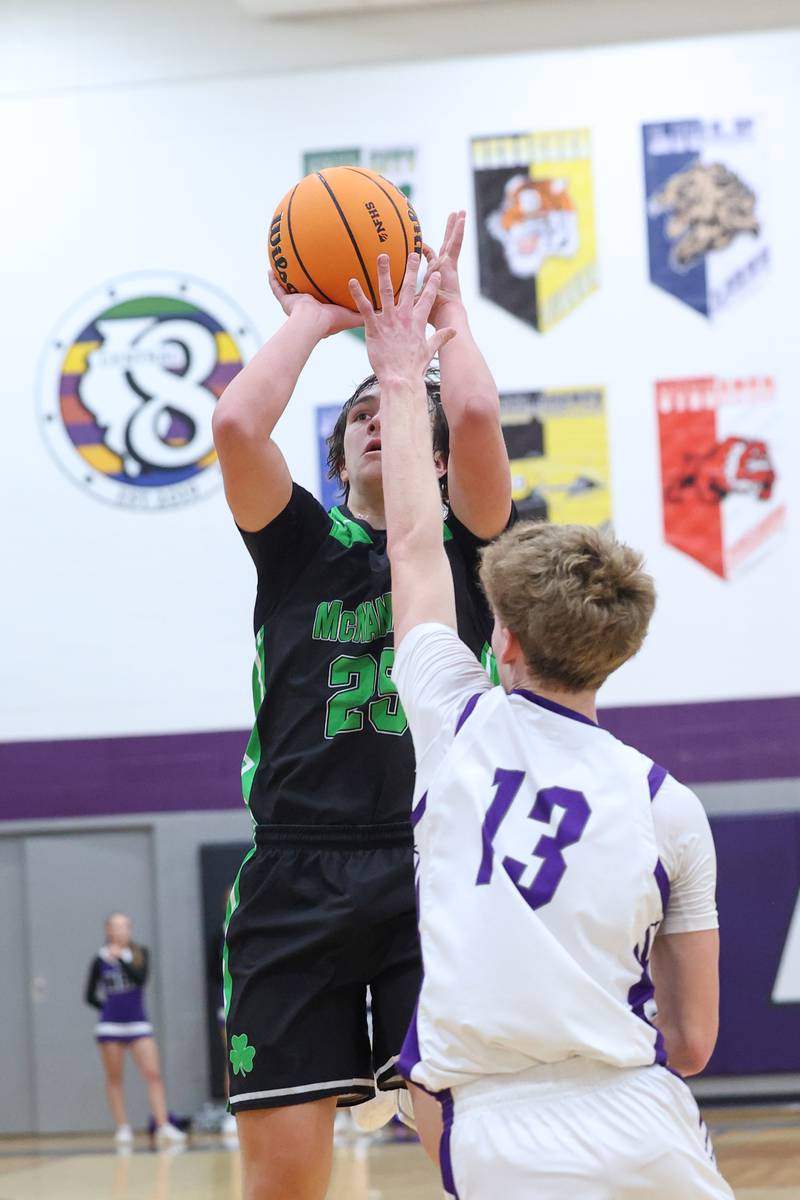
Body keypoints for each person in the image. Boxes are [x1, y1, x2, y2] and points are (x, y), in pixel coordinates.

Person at [349, 253, 734, 1199]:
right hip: (648, 1123)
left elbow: (411, 540)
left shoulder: (454, 721)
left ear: (504, 640)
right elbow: (689, 1042)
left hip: (503, 1130)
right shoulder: (670, 806)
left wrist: (400, 372)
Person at [211, 213, 512, 1200]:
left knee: (466, 1157)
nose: (382, 421)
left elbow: (470, 420)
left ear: (429, 455)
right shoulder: (296, 545)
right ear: (337, 457)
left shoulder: (467, 544)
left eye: (395, 415)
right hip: (296, 864)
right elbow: (234, 428)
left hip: (432, 859)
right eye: (360, 421)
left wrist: (449, 320)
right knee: (283, 1187)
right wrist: (312, 314)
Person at [85, 913, 186, 1147]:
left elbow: (140, 979)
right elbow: (89, 996)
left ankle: (163, 1125)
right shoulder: (98, 960)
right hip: (110, 1025)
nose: (121, 931)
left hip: (138, 1022)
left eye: (125, 926)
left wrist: (120, 959)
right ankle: (123, 1127)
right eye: (116, 927)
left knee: (152, 1074)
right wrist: (108, 1008)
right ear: (108, 930)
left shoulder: (140, 953)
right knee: (114, 1077)